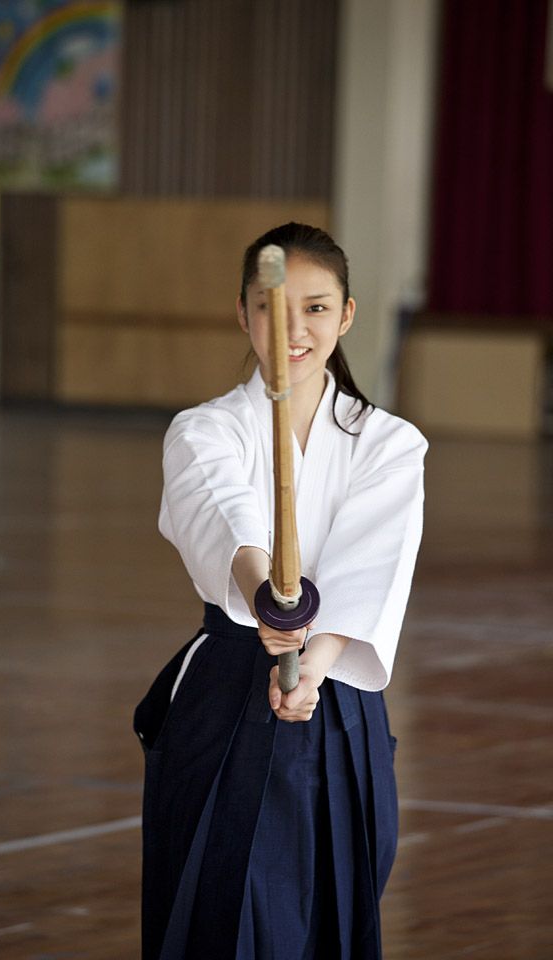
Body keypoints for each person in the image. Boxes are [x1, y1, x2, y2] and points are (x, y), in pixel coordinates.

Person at [133, 223, 426, 958]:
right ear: (243, 313)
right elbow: (223, 515)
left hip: (340, 696)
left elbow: (370, 566)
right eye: (272, 307)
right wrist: (268, 595)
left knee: (332, 913)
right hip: (227, 687)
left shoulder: (391, 444)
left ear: (348, 315)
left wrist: (315, 661)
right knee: (212, 913)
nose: (295, 329)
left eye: (318, 308)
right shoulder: (202, 430)